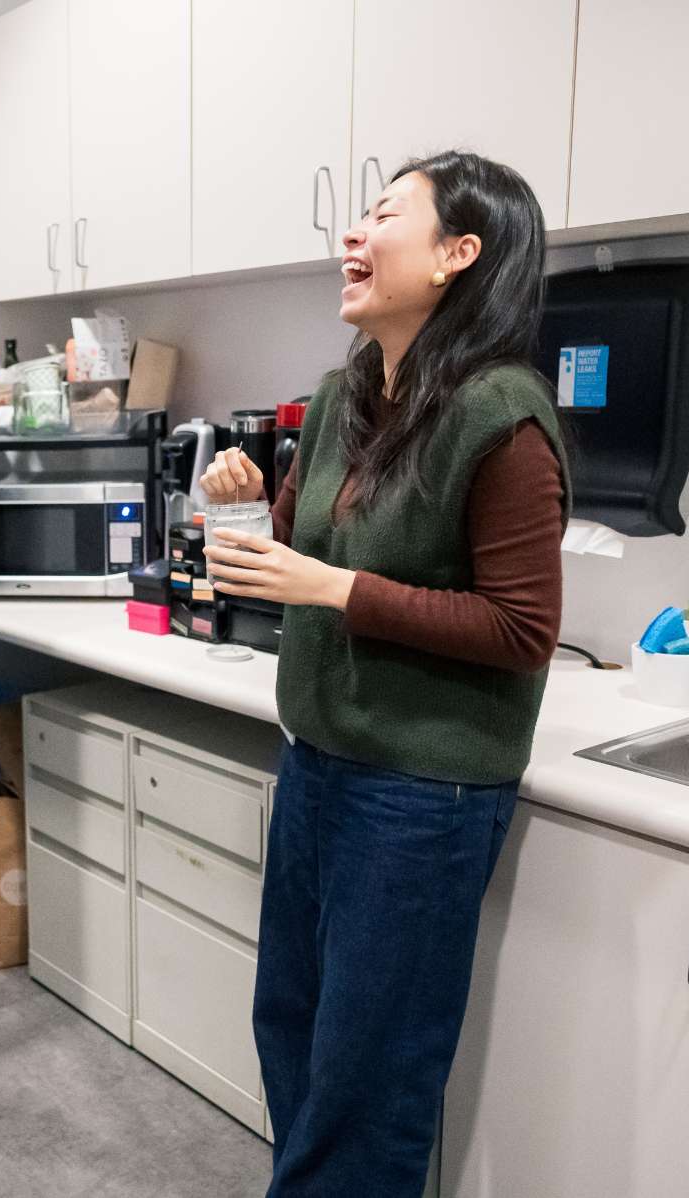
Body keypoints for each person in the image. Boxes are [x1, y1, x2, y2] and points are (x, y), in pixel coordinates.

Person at [200, 151, 569, 1196]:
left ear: (459, 254)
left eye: (385, 215)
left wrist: (334, 588)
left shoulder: (503, 416)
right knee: (293, 1034)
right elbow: (286, 564)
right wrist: (237, 507)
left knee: (367, 1085)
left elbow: (521, 627)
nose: (353, 235)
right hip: (319, 762)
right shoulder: (342, 397)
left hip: (422, 794)